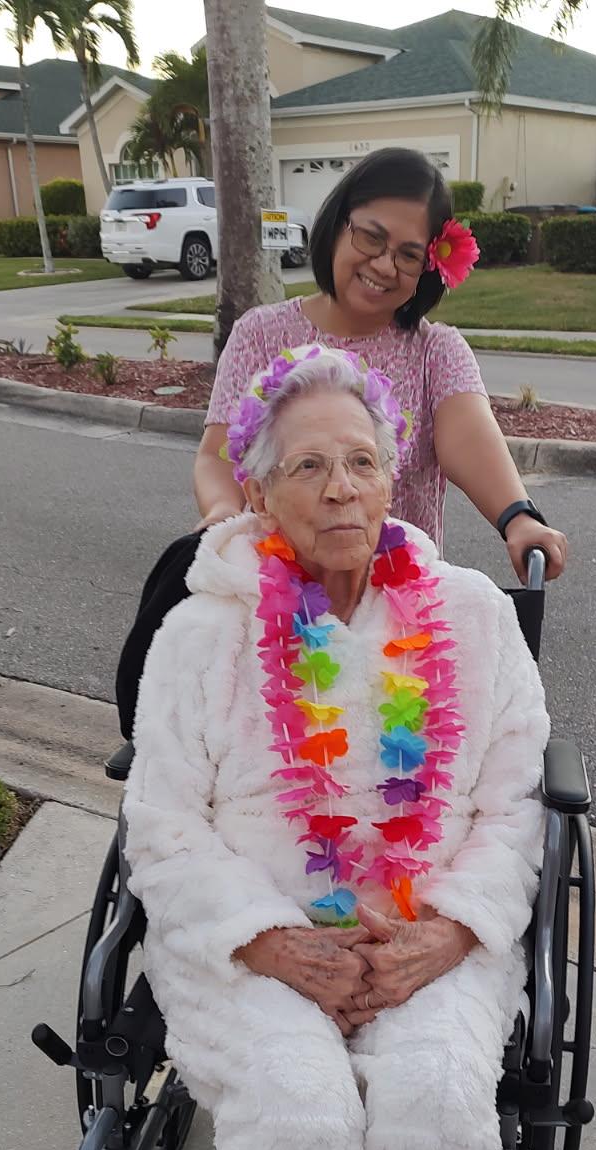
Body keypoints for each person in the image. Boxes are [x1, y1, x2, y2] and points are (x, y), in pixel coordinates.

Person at [123, 345, 550, 1150]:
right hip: (251, 937)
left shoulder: (470, 616)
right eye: (307, 466)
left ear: (395, 474)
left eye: (363, 461)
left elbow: (518, 801)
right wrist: (265, 938)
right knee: (302, 1121)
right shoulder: (203, 632)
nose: (342, 489)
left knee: (429, 1116)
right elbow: (162, 822)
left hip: (431, 942)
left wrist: (453, 929)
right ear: (258, 494)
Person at [115, 146, 567, 741]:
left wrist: (518, 519)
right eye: (371, 238)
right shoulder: (261, 334)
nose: (384, 265)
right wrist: (226, 517)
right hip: (278, 606)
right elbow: (216, 457)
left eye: (408, 255)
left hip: (394, 612)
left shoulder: (434, 351)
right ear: (338, 223)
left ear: (429, 267)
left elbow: (469, 440)